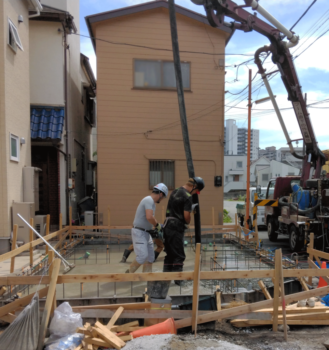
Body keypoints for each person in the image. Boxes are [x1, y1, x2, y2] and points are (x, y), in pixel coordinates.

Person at [163, 177, 205, 285]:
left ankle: (165, 279)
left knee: (170, 255)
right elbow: (186, 216)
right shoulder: (187, 196)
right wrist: (190, 214)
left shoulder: (175, 191)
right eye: (196, 191)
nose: (196, 193)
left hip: (167, 225)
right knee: (179, 256)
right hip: (176, 227)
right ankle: (178, 281)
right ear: (194, 187)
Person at [126, 183, 168, 274]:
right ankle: (128, 273)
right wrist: (157, 225)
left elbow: (148, 218)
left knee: (150, 257)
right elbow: (149, 217)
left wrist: (154, 227)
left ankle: (146, 277)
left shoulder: (152, 203)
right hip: (139, 231)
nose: (162, 199)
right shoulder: (148, 200)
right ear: (161, 194)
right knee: (142, 256)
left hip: (146, 232)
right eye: (163, 197)